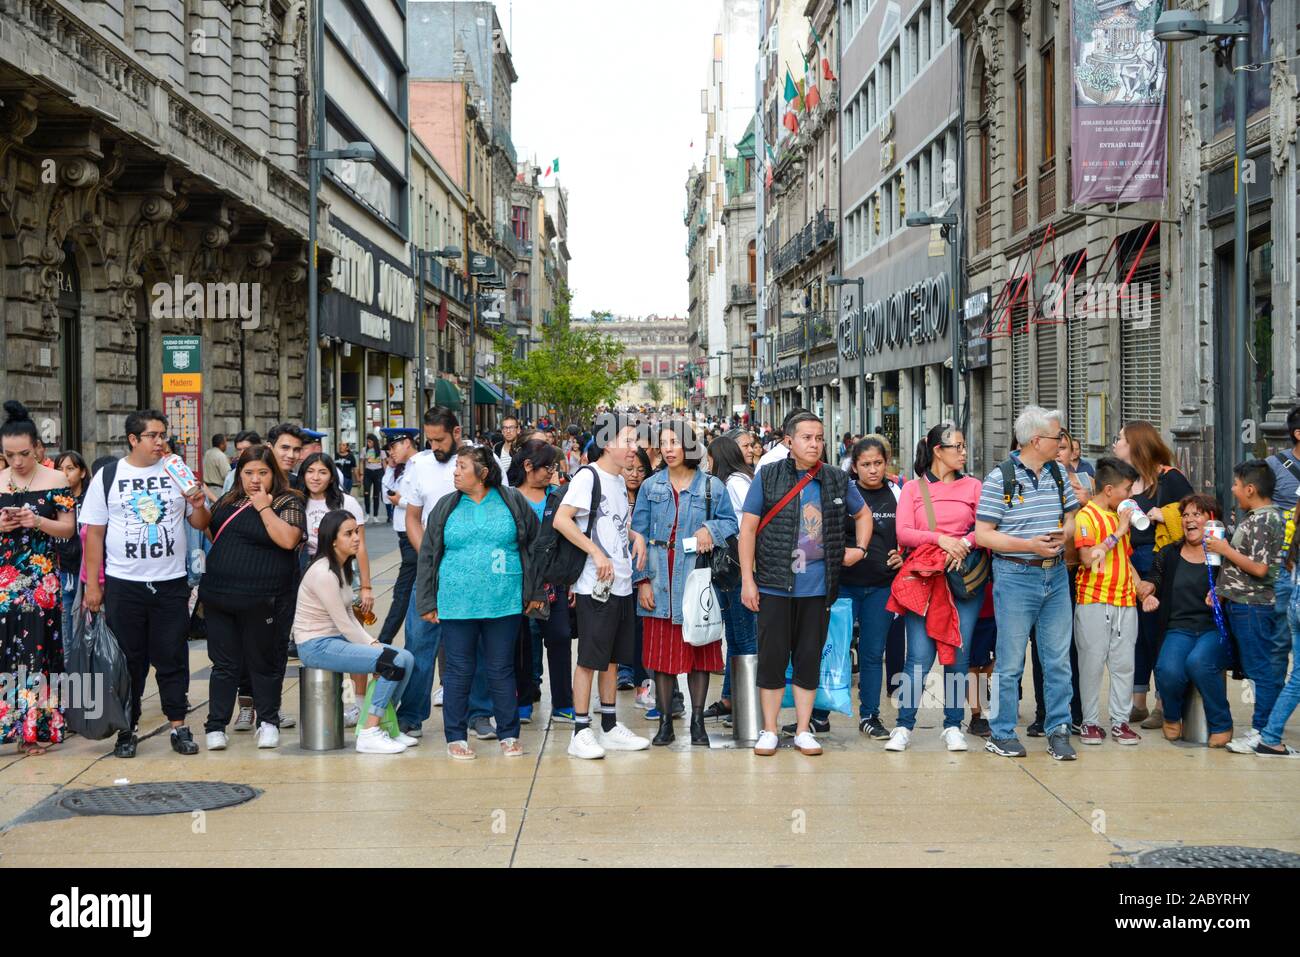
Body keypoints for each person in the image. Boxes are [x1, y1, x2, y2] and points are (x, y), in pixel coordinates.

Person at [739, 411, 870, 757]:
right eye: (807, 438)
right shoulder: (768, 477)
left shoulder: (835, 479)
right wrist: (747, 580)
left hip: (817, 586)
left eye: (819, 438)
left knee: (809, 657)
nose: (815, 444)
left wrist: (860, 549)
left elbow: (863, 514)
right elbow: (748, 529)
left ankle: (802, 729)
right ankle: (769, 730)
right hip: (773, 584)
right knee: (772, 658)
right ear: (789, 442)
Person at [82, 409, 211, 758]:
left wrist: (197, 503)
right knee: (129, 660)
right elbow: (94, 535)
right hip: (124, 584)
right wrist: (93, 586)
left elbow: (200, 523)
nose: (160, 441)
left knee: (172, 655)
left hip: (170, 582)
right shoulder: (108, 477)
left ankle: (178, 726)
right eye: (153, 435)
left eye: (163, 435)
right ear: (133, 439)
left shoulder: (176, 473)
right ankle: (128, 728)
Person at [415, 445, 545, 759]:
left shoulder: (511, 501)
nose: (455, 472)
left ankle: (509, 734)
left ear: (483, 473)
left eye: (462, 467)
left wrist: (535, 592)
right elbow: (429, 555)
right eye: (456, 467)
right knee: (459, 671)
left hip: (505, 600)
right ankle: (456, 737)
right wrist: (427, 600)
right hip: (456, 602)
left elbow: (535, 546)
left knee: (501, 669)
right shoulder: (446, 507)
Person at [975, 406, 1081, 760]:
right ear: (1037, 441)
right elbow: (984, 536)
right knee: (1009, 661)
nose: (1062, 442)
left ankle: (1058, 729)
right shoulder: (999, 478)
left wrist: (1061, 535)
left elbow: (1071, 518)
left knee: (1057, 660)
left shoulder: (1058, 473)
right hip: (1016, 575)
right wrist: (1029, 545)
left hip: (1055, 574)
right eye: (1057, 436)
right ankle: (1002, 732)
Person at [631, 421, 738, 747]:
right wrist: (642, 581)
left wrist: (710, 529)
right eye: (663, 443)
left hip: (696, 580)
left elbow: (730, 522)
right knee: (661, 658)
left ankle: (696, 722)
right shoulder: (651, 487)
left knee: (699, 653)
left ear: (689, 446)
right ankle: (665, 722)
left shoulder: (711, 487)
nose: (668, 448)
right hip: (659, 577)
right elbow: (638, 535)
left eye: (675, 441)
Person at [552, 413, 651, 759]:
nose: (633, 448)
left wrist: (636, 536)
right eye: (627, 440)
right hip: (596, 585)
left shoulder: (618, 481)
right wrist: (595, 552)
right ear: (608, 444)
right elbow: (562, 519)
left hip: (622, 583)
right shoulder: (587, 477)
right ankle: (580, 731)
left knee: (611, 659)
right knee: (590, 659)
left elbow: (613, 523)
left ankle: (609, 726)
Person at [884, 423, 983, 753]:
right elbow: (904, 533)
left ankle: (953, 725)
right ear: (938, 451)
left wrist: (963, 545)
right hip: (924, 582)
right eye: (957, 446)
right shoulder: (913, 489)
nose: (964, 452)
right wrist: (941, 539)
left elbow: (985, 528)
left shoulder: (974, 486)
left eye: (964, 446)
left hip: (963, 580)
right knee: (919, 657)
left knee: (959, 653)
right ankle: (903, 725)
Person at [200, 445, 306, 750]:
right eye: (248, 473)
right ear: (239, 475)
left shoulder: (288, 501)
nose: (255, 479)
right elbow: (214, 533)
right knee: (224, 664)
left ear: (274, 474)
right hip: (221, 597)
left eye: (262, 472)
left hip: (265, 600)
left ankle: (268, 721)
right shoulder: (228, 500)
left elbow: (288, 540)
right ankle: (215, 725)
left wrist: (263, 507)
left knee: (265, 662)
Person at [295, 510, 416, 754]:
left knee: (407, 659)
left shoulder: (342, 567)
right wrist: (373, 646)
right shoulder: (323, 573)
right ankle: (370, 732)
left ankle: (385, 725)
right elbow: (344, 623)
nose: (356, 538)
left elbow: (349, 614)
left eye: (357, 531)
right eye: (348, 534)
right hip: (315, 645)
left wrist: (372, 642)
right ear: (332, 540)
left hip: (336, 639)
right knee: (391, 663)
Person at [0, 402, 77, 752]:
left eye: (24, 454)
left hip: (41, 580)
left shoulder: (56, 479)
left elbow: (68, 531)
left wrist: (38, 522)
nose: (17, 462)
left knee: (37, 654)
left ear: (38, 448)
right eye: (10, 455)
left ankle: (34, 731)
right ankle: (9, 729)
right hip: (4, 582)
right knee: (6, 655)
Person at [1112, 421, 1193, 727]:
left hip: (1161, 563)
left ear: (1136, 444)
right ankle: (1138, 701)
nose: (1115, 444)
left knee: (1158, 632)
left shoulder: (1169, 478)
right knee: (1134, 635)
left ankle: (1164, 703)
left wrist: (1166, 514)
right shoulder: (1123, 482)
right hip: (1129, 564)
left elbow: (1195, 512)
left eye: (1120, 439)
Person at [1207, 460, 1287, 754]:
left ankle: (1264, 731)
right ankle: (1263, 728)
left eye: (1237, 485)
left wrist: (1225, 549)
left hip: (1254, 606)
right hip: (1244, 604)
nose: (1233, 490)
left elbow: (1260, 568)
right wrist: (1221, 592)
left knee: (1261, 670)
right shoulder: (1256, 518)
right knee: (1257, 668)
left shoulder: (1265, 520)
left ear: (1250, 489)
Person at [1072, 455, 1153, 745]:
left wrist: (1139, 584)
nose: (1130, 495)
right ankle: (1090, 723)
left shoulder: (1120, 517)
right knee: (1091, 665)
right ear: (1109, 490)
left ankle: (1120, 722)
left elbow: (1124, 559)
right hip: (1094, 601)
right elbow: (1086, 557)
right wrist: (1118, 531)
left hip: (1125, 603)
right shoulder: (1087, 516)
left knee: (1124, 666)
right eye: (1127, 489)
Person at [1146, 494, 1234, 748]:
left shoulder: (1223, 554)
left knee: (1199, 663)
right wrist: (1147, 590)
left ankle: (1221, 724)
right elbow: (1155, 579)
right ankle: (1172, 717)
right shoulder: (1170, 553)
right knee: (1167, 670)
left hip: (1212, 629)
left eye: (1197, 514)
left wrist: (1222, 592)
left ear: (1212, 520)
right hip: (1179, 628)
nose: (1189, 520)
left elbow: (1239, 586)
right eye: (1186, 515)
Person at [833, 436, 904, 740]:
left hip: (882, 588)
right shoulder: (844, 493)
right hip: (844, 587)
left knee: (873, 653)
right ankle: (820, 714)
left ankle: (870, 715)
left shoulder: (897, 493)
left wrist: (905, 556)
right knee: (834, 651)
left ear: (886, 463)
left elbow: (909, 532)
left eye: (878, 463)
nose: (872, 470)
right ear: (855, 466)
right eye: (866, 464)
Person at [396, 407, 461, 736]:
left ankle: (476, 713)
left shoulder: (477, 460)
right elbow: (412, 518)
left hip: (468, 567)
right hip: (430, 567)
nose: (434, 446)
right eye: (430, 439)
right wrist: (429, 556)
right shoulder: (418, 464)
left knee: (470, 643)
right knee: (419, 641)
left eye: (440, 439)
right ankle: (411, 715)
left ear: (457, 433)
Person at [301, 451, 373, 725]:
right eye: (310, 471)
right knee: (322, 637)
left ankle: (358, 704)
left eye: (321, 471)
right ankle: (326, 704)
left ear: (332, 475)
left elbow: (361, 545)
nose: (315, 477)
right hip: (310, 575)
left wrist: (366, 586)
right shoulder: (298, 501)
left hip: (346, 574)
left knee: (356, 637)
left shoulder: (347, 502)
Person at [510, 440, 575, 722]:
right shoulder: (510, 497)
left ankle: (562, 702)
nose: (552, 472)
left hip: (553, 580)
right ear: (527, 466)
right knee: (521, 642)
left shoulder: (558, 496)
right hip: (519, 582)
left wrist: (569, 579)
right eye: (547, 467)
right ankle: (523, 700)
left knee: (560, 637)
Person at [701, 434, 757, 724]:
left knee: (744, 637)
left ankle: (747, 705)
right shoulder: (737, 481)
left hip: (738, 569)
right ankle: (730, 698)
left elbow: (744, 525)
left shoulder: (734, 484)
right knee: (735, 636)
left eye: (708, 459)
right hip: (731, 569)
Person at [376, 428, 420, 645]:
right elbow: (387, 494)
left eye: (393, 447)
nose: (390, 452)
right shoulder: (402, 469)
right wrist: (390, 468)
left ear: (407, 443)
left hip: (415, 537)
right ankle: (385, 639)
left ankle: (384, 640)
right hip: (404, 537)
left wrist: (401, 501)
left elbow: (421, 500)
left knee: (403, 592)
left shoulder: (420, 466)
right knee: (405, 592)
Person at [617, 446, 653, 694]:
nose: (635, 475)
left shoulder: (651, 497)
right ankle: (624, 671)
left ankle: (641, 675)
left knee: (641, 626)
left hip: (642, 571)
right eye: (630, 469)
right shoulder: (612, 496)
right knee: (621, 625)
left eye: (641, 470)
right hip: (617, 572)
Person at [52, 450, 90, 647]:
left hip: (89, 573)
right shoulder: (53, 500)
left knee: (91, 626)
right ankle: (71, 671)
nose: (64, 474)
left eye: (70, 468)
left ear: (82, 472)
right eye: (59, 469)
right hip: (63, 572)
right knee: (67, 629)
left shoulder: (91, 499)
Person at [219, 431, 262, 496]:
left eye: (246, 449)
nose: (242, 453)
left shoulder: (269, 471)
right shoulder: (232, 475)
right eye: (239, 450)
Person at [362, 434, 385, 522]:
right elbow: (362, 462)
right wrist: (361, 474)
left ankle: (375, 515)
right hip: (368, 472)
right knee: (366, 493)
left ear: (374, 442)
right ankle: (367, 514)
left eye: (370, 442)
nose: (368, 444)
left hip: (378, 472)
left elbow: (384, 463)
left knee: (376, 495)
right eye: (367, 442)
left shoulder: (381, 451)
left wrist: (386, 475)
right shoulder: (364, 450)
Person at [202, 434, 231, 503]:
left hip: (206, 489)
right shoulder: (220, 455)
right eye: (225, 442)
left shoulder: (207, 453)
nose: (226, 445)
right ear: (221, 444)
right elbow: (227, 475)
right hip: (217, 490)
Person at [494, 415, 522, 481]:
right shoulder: (497, 447)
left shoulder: (523, 448)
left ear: (518, 430)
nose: (508, 431)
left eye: (511, 427)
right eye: (505, 428)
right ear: (502, 431)